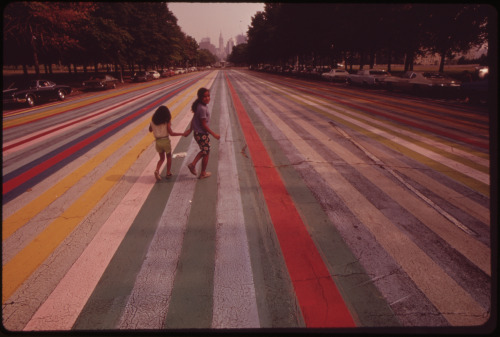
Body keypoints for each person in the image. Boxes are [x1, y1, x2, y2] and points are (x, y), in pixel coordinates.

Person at [185, 87, 220, 179]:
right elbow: (203, 124)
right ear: (200, 97)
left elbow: (194, 119)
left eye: (208, 96)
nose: (207, 98)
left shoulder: (200, 105)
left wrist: (190, 129)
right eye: (204, 96)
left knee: (206, 152)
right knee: (205, 151)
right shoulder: (202, 108)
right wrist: (214, 134)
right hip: (201, 134)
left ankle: (203, 173)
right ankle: (193, 165)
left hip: (199, 133)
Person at [149, 105, 186, 181]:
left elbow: (150, 130)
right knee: (168, 157)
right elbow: (171, 133)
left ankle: (157, 170)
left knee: (161, 158)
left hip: (158, 142)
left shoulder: (152, 122)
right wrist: (182, 134)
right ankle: (168, 172)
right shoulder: (166, 122)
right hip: (165, 141)